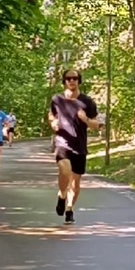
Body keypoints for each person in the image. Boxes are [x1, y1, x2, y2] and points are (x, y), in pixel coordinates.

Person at [48, 70, 100, 223]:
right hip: (63, 142)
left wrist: (86, 120)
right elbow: (51, 114)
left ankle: (69, 208)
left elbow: (97, 125)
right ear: (64, 81)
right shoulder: (57, 99)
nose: (72, 81)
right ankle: (62, 196)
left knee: (76, 182)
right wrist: (53, 122)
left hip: (80, 145)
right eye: (68, 78)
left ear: (79, 81)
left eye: (75, 78)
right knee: (65, 169)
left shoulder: (87, 102)